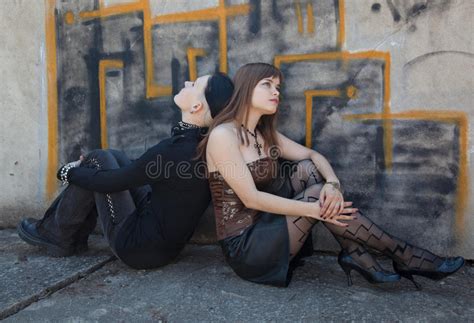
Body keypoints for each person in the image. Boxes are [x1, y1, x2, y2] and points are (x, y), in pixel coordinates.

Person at [198, 63, 464, 288]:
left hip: (270, 225)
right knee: (316, 194)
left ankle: (356, 253)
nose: (276, 92)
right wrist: (315, 209)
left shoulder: (263, 134)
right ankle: (403, 254)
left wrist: (334, 186)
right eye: (267, 85)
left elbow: (315, 156)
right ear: (246, 88)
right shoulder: (224, 135)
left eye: (278, 87)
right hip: (247, 246)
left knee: (310, 172)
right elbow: (252, 198)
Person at [17, 72, 234, 269]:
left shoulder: (174, 150)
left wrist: (67, 172)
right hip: (165, 247)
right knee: (114, 157)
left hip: (137, 249)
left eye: (194, 84)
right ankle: (70, 234)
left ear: (197, 107)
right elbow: (137, 169)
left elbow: (113, 182)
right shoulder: (204, 144)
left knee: (98, 159)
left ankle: (57, 235)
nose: (187, 82)